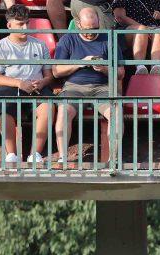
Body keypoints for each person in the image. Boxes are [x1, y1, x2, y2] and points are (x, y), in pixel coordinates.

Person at [52, 7, 125, 165]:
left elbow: (120, 73)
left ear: (99, 23)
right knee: (64, 111)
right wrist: (80, 63)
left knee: (116, 111)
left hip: (103, 87)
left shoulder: (109, 39)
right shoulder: (67, 39)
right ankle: (63, 157)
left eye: (95, 29)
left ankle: (113, 159)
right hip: (74, 87)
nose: (91, 34)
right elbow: (56, 71)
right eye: (87, 30)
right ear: (78, 24)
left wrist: (104, 68)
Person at [0, 4, 54, 164]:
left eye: (27, 23)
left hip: (36, 88)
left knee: (48, 106)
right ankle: (11, 154)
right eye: (20, 24)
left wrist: (42, 82)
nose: (25, 27)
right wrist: (19, 83)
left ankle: (35, 154)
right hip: (9, 87)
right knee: (4, 107)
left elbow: (49, 76)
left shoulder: (40, 45)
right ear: (9, 25)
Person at [112, 0, 160, 76]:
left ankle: (156, 67)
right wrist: (145, 28)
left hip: (152, 29)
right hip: (129, 29)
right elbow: (120, 17)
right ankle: (140, 67)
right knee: (141, 30)